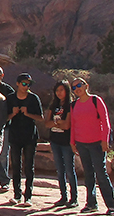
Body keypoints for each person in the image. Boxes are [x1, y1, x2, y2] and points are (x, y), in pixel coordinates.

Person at [70, 77, 114, 215]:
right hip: (81, 143)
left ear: (86, 86)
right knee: (88, 174)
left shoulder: (96, 100)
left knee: (101, 174)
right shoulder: (74, 105)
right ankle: (91, 204)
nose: (77, 88)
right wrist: (72, 142)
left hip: (97, 143)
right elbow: (74, 125)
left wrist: (105, 140)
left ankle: (112, 206)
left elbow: (105, 121)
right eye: (74, 87)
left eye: (79, 85)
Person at [6, 72, 44, 206]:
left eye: (28, 84)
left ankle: (28, 196)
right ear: (17, 84)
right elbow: (4, 118)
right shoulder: (10, 99)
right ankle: (17, 194)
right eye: (24, 84)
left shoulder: (33, 98)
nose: (26, 86)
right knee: (16, 166)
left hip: (30, 136)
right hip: (15, 136)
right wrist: (13, 113)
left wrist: (28, 114)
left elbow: (41, 117)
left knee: (29, 167)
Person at [45, 79, 77, 207]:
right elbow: (46, 123)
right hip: (55, 141)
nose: (59, 93)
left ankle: (74, 198)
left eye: (61, 90)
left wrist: (55, 123)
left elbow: (67, 125)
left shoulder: (70, 105)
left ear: (67, 90)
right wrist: (57, 123)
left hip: (67, 142)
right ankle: (63, 197)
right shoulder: (54, 106)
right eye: (57, 90)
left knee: (70, 169)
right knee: (60, 170)